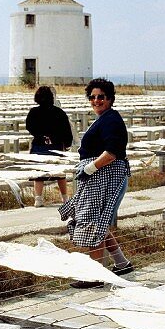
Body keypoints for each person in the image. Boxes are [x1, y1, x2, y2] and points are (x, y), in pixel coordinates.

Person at [59, 78, 132, 277]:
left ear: (110, 99)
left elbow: (112, 152)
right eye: (92, 97)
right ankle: (122, 263)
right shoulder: (105, 119)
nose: (96, 100)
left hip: (105, 175)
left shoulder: (111, 120)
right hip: (98, 176)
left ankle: (96, 275)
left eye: (101, 97)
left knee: (94, 222)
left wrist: (90, 168)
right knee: (98, 221)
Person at [25, 85, 73, 207]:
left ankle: (38, 199)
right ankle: (65, 198)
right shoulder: (59, 112)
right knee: (60, 173)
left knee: (39, 173)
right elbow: (67, 130)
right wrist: (67, 144)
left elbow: (29, 127)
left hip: (39, 144)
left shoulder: (33, 112)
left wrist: (40, 135)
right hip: (56, 146)